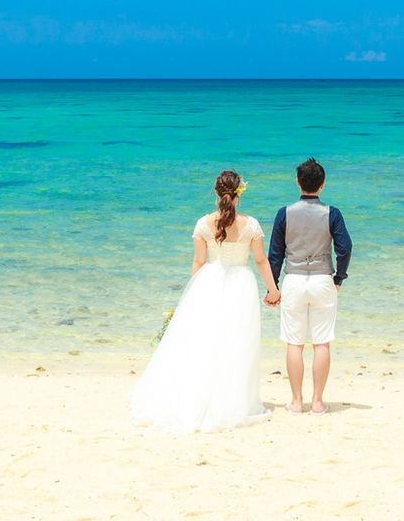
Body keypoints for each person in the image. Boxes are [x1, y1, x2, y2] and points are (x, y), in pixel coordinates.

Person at [130, 169, 281, 432]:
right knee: (237, 344)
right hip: (241, 284)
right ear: (239, 193)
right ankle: (232, 401)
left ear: (216, 193)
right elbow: (260, 260)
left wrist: (191, 295)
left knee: (204, 342)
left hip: (209, 282)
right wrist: (273, 291)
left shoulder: (203, 223)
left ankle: (200, 398)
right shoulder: (251, 225)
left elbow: (199, 262)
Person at [267, 157, 352, 415]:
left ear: (298, 182)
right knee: (322, 342)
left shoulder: (284, 213)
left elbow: (275, 254)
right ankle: (317, 402)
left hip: (293, 279)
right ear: (322, 185)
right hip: (322, 279)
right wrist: (339, 278)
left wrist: (273, 288)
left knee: (294, 343)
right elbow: (345, 248)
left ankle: (296, 402)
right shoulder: (332, 213)